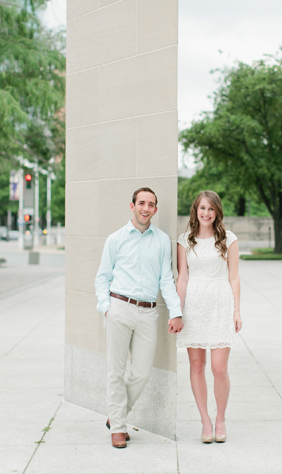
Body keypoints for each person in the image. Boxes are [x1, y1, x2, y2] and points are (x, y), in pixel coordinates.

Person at [95, 187, 184, 449]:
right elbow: (102, 277)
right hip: (119, 308)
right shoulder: (115, 239)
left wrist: (176, 311)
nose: (146, 208)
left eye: (151, 204)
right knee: (115, 371)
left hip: (148, 312)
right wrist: (106, 307)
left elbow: (167, 280)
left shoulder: (162, 240)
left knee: (142, 373)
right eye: (141, 203)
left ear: (156, 209)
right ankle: (119, 429)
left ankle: (116, 416)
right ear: (132, 205)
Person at [176, 190, 242, 444]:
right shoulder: (185, 240)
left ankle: (221, 419)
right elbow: (182, 277)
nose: (206, 213)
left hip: (220, 304)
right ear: (196, 210)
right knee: (197, 366)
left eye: (211, 209)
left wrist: (236, 310)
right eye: (202, 208)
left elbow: (233, 277)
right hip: (193, 305)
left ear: (217, 212)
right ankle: (205, 420)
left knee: (219, 369)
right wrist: (178, 312)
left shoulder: (229, 239)